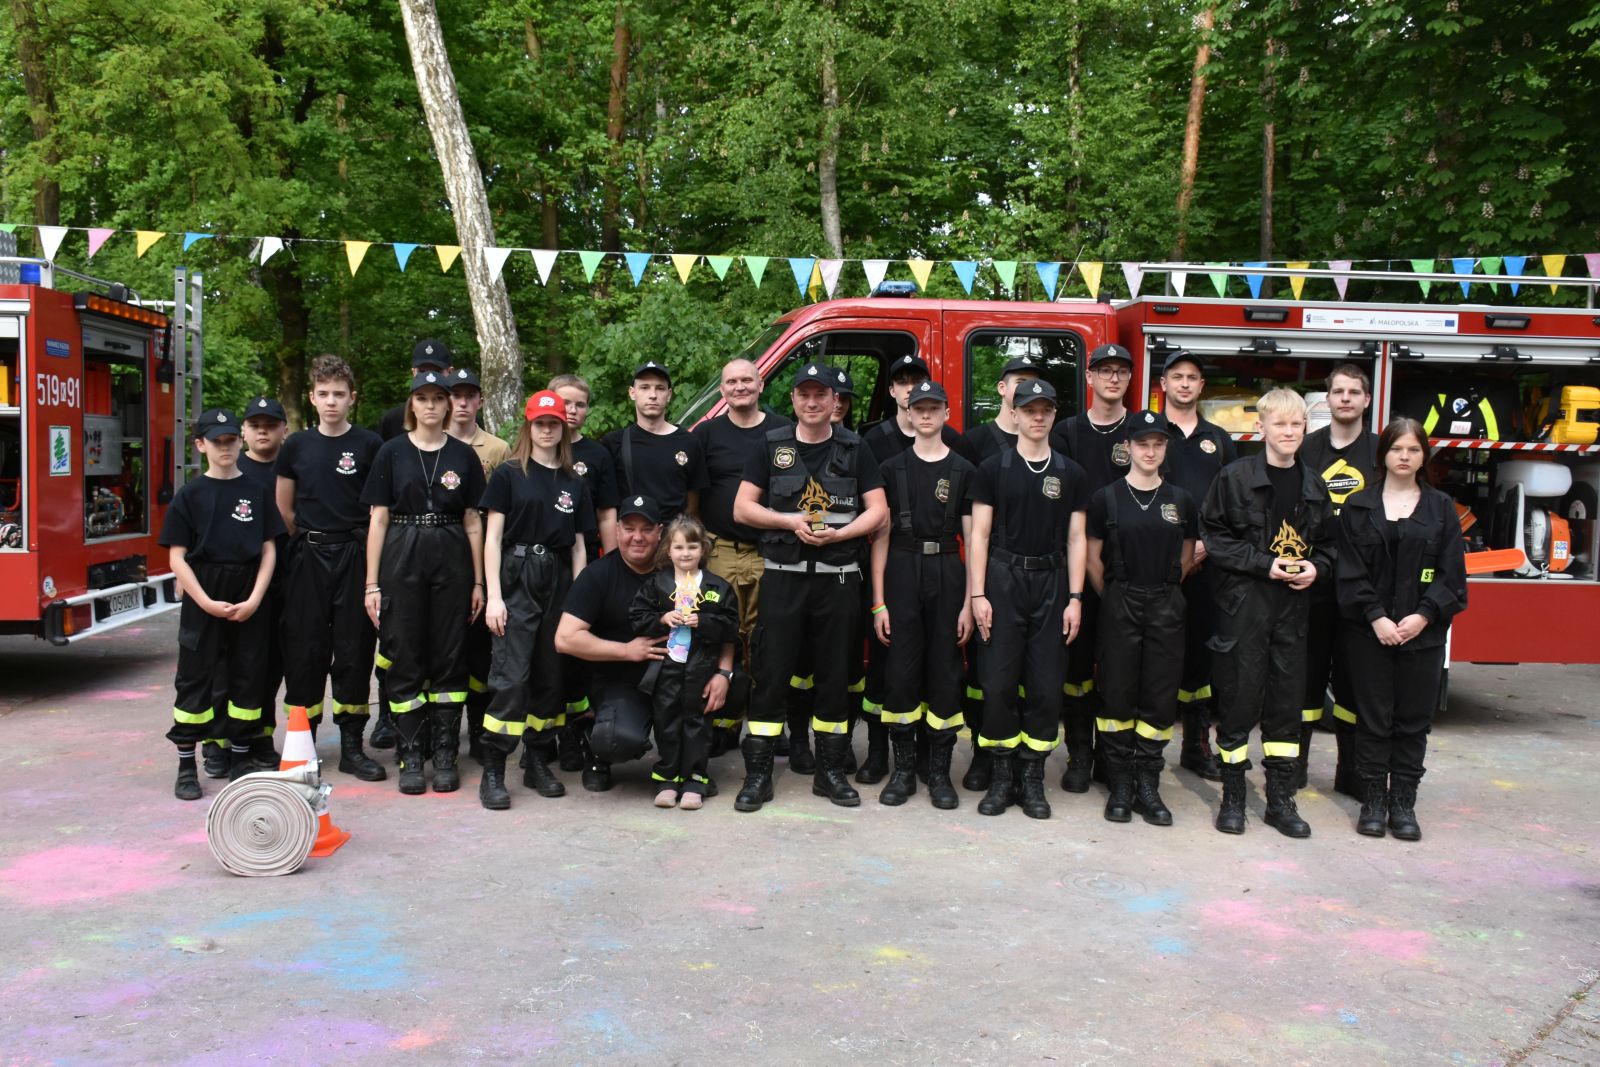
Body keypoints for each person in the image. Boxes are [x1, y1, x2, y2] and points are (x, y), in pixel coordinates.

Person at [732, 361, 888, 811]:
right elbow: (742, 508)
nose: (813, 402)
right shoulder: (770, 446)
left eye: (822, 394)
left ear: (835, 401)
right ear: (794, 399)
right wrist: (788, 522)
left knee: (835, 677)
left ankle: (830, 773)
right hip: (784, 578)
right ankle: (758, 776)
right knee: (771, 674)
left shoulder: (856, 448)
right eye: (805, 394)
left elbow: (878, 510)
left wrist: (842, 534)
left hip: (838, 581)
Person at [1202, 388, 1333, 838]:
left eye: (1296, 424)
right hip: (1245, 605)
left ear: (1305, 429)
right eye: (1280, 424)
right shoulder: (1234, 478)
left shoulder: (1315, 485)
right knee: (1238, 700)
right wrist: (1264, 564)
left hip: (1294, 610)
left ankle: (1280, 800)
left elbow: (1332, 547)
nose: (1289, 432)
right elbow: (1215, 538)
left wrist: (1317, 568)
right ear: (1261, 428)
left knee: (1286, 706)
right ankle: (1233, 798)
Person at [1335, 419, 1467, 840]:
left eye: (1413, 449)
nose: (1404, 457)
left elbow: (1453, 576)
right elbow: (1348, 573)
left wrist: (1423, 615)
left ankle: (1403, 804)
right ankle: (1374, 802)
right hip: (1368, 634)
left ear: (1424, 456)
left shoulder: (1441, 508)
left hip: (1423, 636)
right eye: (1396, 449)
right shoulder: (1358, 506)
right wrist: (1376, 616)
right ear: (1383, 455)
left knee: (1413, 722)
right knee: (1373, 721)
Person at [361, 369, 487, 796]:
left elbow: (473, 520)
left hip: (451, 553)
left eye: (438, 398)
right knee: (405, 654)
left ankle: (446, 754)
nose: (431, 405)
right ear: (411, 405)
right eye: (423, 398)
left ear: (448, 404)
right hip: (403, 550)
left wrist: (478, 583)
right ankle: (411, 753)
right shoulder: (391, 452)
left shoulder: (463, 456)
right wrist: (371, 584)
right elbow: (378, 520)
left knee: (450, 654)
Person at [968, 379, 1089, 819]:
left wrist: (1075, 598)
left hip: (1052, 582)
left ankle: (1032, 779)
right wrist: (978, 593)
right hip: (1002, 580)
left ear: (1054, 415)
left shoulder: (1071, 473)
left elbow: (1077, 539)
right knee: (998, 684)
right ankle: (1002, 778)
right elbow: (979, 536)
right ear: (1014, 413)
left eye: (1045, 410)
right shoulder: (992, 469)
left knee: (1045, 686)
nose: (1038, 417)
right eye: (1029, 409)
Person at [477, 390, 594, 809]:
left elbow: (579, 546)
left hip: (558, 577)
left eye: (554, 423)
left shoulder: (574, 481)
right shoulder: (509, 474)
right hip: (517, 573)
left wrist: (579, 603)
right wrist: (494, 597)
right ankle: (494, 768)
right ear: (528, 427)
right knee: (512, 676)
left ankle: (538, 759)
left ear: (563, 427)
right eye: (540, 423)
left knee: (551, 675)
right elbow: (492, 539)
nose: (547, 430)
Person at [160, 409, 284, 799]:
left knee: (248, 675)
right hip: (204, 592)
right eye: (217, 442)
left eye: (231, 440)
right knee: (195, 678)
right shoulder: (190, 495)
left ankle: (240, 758)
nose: (225, 447)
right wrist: (204, 601)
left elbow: (269, 549)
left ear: (239, 441)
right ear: (201, 445)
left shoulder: (257, 491)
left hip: (248, 591)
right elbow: (177, 558)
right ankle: (187, 765)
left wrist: (256, 598)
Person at [273, 357, 386, 782]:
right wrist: (309, 540)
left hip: (355, 553)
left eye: (339, 394)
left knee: (355, 650)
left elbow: (378, 510)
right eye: (323, 394)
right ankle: (304, 746)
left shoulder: (370, 445)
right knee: (305, 650)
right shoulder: (296, 446)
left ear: (352, 398)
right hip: (308, 556)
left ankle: (353, 747)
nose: (331, 401)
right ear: (312, 398)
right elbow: (284, 508)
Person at [1087, 410, 1196, 826]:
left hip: (1166, 602)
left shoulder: (1181, 499)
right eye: (1143, 444)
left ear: (1166, 448)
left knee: (1160, 696)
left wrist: (1165, 589)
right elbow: (1093, 560)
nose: (1150, 452)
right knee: (1116, 694)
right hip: (1121, 602)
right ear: (1128, 447)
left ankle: (1148, 783)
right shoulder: (1106, 498)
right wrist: (1115, 597)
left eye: (1158, 444)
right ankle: (1120, 783)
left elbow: (1188, 555)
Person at [869, 379, 974, 808]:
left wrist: (970, 602)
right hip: (901, 567)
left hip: (947, 568)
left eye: (934, 407)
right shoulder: (890, 468)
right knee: (900, 670)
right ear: (908, 413)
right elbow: (880, 536)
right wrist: (878, 601)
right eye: (919, 407)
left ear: (947, 413)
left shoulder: (964, 470)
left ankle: (939, 774)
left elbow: (974, 540)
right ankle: (904, 772)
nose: (926, 414)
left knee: (945, 670)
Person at [692, 359, 791, 753]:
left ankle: (768, 723)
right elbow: (694, 495)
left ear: (761, 384)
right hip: (720, 550)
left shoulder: (783, 431)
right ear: (722, 390)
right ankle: (725, 721)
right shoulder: (706, 434)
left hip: (770, 551)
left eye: (746, 380)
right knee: (722, 635)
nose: (739, 387)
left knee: (768, 640)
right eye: (731, 382)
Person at [1050, 342, 1134, 794]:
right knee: (1077, 670)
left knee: (1120, 670)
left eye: (1121, 371)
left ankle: (1114, 760)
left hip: (1130, 570)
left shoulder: (1141, 431)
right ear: (1089, 378)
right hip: (1078, 568)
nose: (1113, 378)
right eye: (1104, 370)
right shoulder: (1066, 432)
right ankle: (1080, 753)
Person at [959, 353, 1044, 790]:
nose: (1025, 389)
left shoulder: (1048, 443)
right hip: (991, 572)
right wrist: (975, 587)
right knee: (986, 675)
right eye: (1018, 381)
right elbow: (969, 520)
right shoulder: (975, 442)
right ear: (1002, 389)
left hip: (1037, 577)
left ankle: (1021, 765)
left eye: (1033, 381)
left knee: (1031, 675)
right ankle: (983, 754)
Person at [555, 497, 677, 793]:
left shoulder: (679, 569)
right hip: (620, 683)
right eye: (629, 528)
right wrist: (626, 651)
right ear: (617, 530)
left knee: (730, 690)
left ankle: (685, 765)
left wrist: (721, 673)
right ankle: (595, 746)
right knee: (616, 740)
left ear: (660, 532)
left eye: (646, 529)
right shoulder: (598, 574)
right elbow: (565, 638)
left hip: (673, 680)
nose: (638, 537)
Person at [1298, 363, 1379, 797]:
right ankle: (1294, 769)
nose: (1345, 398)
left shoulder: (1381, 451)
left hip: (1362, 586)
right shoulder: (1307, 449)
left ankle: (1352, 773)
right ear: (1326, 400)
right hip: (1312, 583)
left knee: (1353, 684)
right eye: (1338, 391)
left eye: (1354, 392)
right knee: (1305, 680)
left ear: (1367, 400)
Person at [1158, 350, 1237, 782]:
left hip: (1207, 567)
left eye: (1192, 377)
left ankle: (1196, 745)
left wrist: (1206, 545)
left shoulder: (1219, 440)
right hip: (1157, 567)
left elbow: (1233, 504)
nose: (1185, 383)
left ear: (1201, 386)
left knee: (1201, 660)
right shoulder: (1148, 432)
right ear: (1163, 384)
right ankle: (1142, 753)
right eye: (1177, 376)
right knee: (1154, 656)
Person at [202, 394, 288, 776]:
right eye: (255, 425)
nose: (263, 432)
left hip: (283, 580)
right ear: (244, 433)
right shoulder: (230, 470)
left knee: (267, 666)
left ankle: (259, 736)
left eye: (271, 425)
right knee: (221, 668)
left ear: (284, 430)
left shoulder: (292, 466)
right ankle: (217, 743)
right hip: (233, 586)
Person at [628, 516, 739, 809]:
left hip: (701, 667)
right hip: (666, 667)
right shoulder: (657, 584)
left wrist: (704, 621)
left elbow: (731, 626)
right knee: (666, 721)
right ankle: (667, 779)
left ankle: (694, 781)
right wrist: (662, 618)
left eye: (692, 546)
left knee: (697, 723)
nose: (686, 553)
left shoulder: (717, 587)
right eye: (679, 547)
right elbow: (637, 617)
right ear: (668, 550)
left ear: (703, 549)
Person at [547, 373, 621, 770]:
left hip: (586, 560)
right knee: (546, 648)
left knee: (581, 650)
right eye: (565, 403)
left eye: (579, 404)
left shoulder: (597, 454)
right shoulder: (534, 451)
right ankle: (544, 735)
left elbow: (608, 513)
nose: (572, 411)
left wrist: (613, 566)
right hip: (541, 565)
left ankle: (577, 733)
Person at [447, 367, 510, 762]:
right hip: (442, 551)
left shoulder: (498, 449)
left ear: (481, 401)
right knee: (445, 646)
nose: (463, 402)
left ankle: (479, 729)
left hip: (484, 553)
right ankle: (441, 732)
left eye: (470, 395)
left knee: (480, 648)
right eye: (456, 395)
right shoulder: (430, 444)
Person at [604, 360, 708, 524]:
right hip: (633, 536)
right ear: (632, 392)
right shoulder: (614, 443)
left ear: (669, 394)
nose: (653, 395)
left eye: (660, 388)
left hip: (675, 536)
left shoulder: (689, 442)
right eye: (644, 387)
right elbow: (606, 506)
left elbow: (693, 505)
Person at [379, 339, 451, 441]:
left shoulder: (465, 416)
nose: (429, 377)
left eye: (437, 371)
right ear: (413, 372)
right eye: (422, 371)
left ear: (450, 372)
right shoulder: (393, 420)